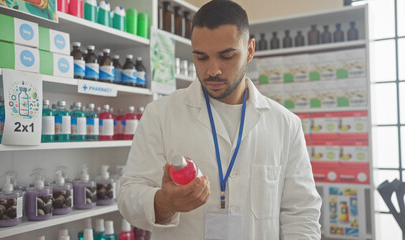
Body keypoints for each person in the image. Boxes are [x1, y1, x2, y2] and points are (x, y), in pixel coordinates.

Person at [118, 1, 322, 239]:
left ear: (250, 50)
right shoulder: (160, 114)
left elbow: (302, 213)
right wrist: (163, 202)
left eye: (226, 56)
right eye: (201, 58)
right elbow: (128, 195)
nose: (212, 70)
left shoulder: (285, 124)